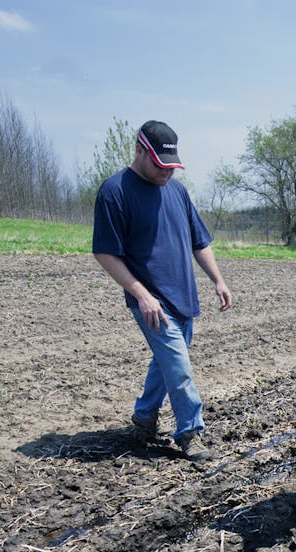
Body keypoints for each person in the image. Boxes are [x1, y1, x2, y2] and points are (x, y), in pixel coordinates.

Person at [93, 120, 233, 462]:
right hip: (151, 301)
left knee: (166, 362)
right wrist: (140, 293)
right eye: (160, 165)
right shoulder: (115, 191)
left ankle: (143, 419)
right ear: (140, 150)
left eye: (172, 166)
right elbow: (105, 252)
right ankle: (190, 432)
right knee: (178, 365)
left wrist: (218, 279)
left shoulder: (177, 191)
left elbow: (200, 242)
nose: (166, 173)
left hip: (183, 296)